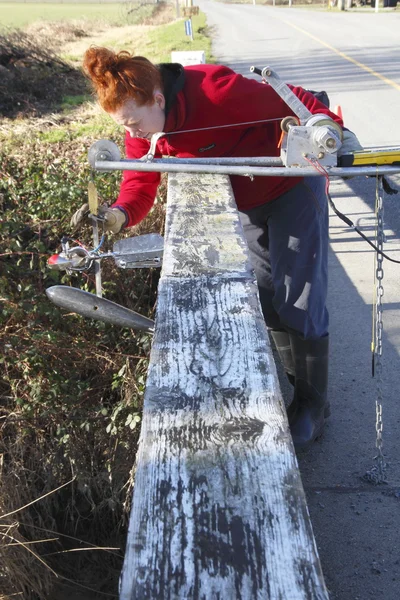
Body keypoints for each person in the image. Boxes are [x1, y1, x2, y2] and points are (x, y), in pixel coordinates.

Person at [72, 46, 362, 450]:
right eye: (126, 126)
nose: (133, 133)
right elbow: (140, 182)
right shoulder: (142, 126)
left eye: (135, 123)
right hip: (246, 199)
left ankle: (314, 406)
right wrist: (119, 214)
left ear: (158, 99)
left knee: (300, 297)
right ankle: (297, 387)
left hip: (292, 184)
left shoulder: (215, 90)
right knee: (266, 295)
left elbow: (297, 99)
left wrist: (327, 129)